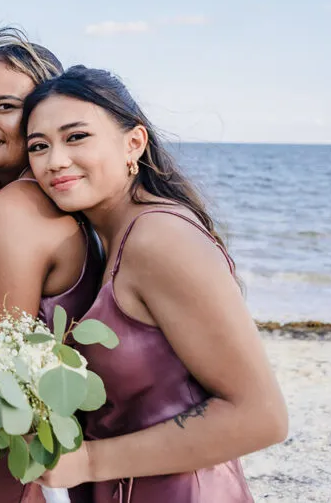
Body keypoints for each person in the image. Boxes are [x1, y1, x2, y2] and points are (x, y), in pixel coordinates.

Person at [24, 66, 287, 502]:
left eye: (76, 137)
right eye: (39, 146)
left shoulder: (159, 239)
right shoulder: (103, 238)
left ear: (134, 143)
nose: (55, 160)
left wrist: (90, 461)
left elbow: (263, 416)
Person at [0, 32, 102, 503]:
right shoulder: (61, 199)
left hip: (28, 468)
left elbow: (3, 380)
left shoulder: (16, 211)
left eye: (5, 107)